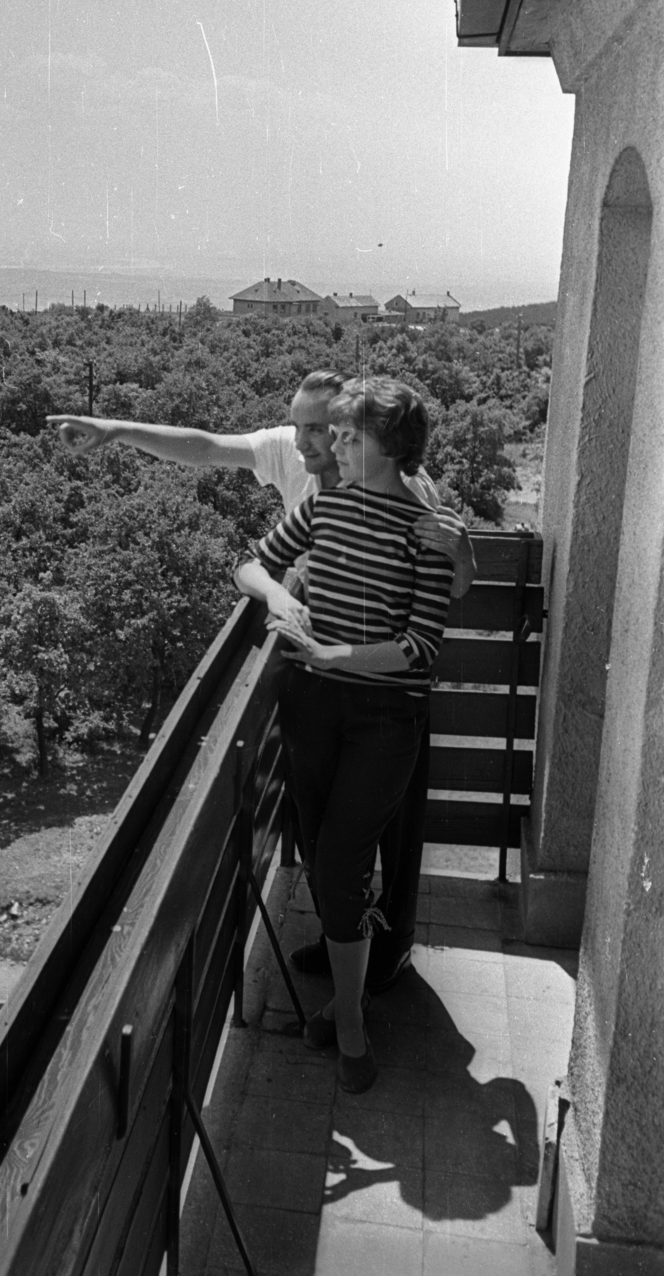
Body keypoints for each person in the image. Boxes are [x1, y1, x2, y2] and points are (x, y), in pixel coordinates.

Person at [47, 374, 475, 988]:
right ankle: (343, 950)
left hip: (384, 687)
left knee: (391, 834)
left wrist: (462, 552)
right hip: (319, 680)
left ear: (353, 433)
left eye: (320, 429)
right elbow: (204, 447)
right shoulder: (302, 472)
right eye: (297, 425)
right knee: (324, 836)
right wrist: (114, 430)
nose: (301, 442)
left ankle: (392, 951)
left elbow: (448, 585)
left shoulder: (404, 486)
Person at [234, 376, 454, 1092]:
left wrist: (337, 655)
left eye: (350, 437)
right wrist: (278, 599)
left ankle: (352, 1022)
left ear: (388, 450)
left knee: (339, 863)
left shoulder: (423, 528)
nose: (332, 447)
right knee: (334, 863)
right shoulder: (326, 509)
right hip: (312, 706)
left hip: (385, 719)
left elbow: (422, 646)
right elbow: (251, 564)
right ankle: (344, 998)